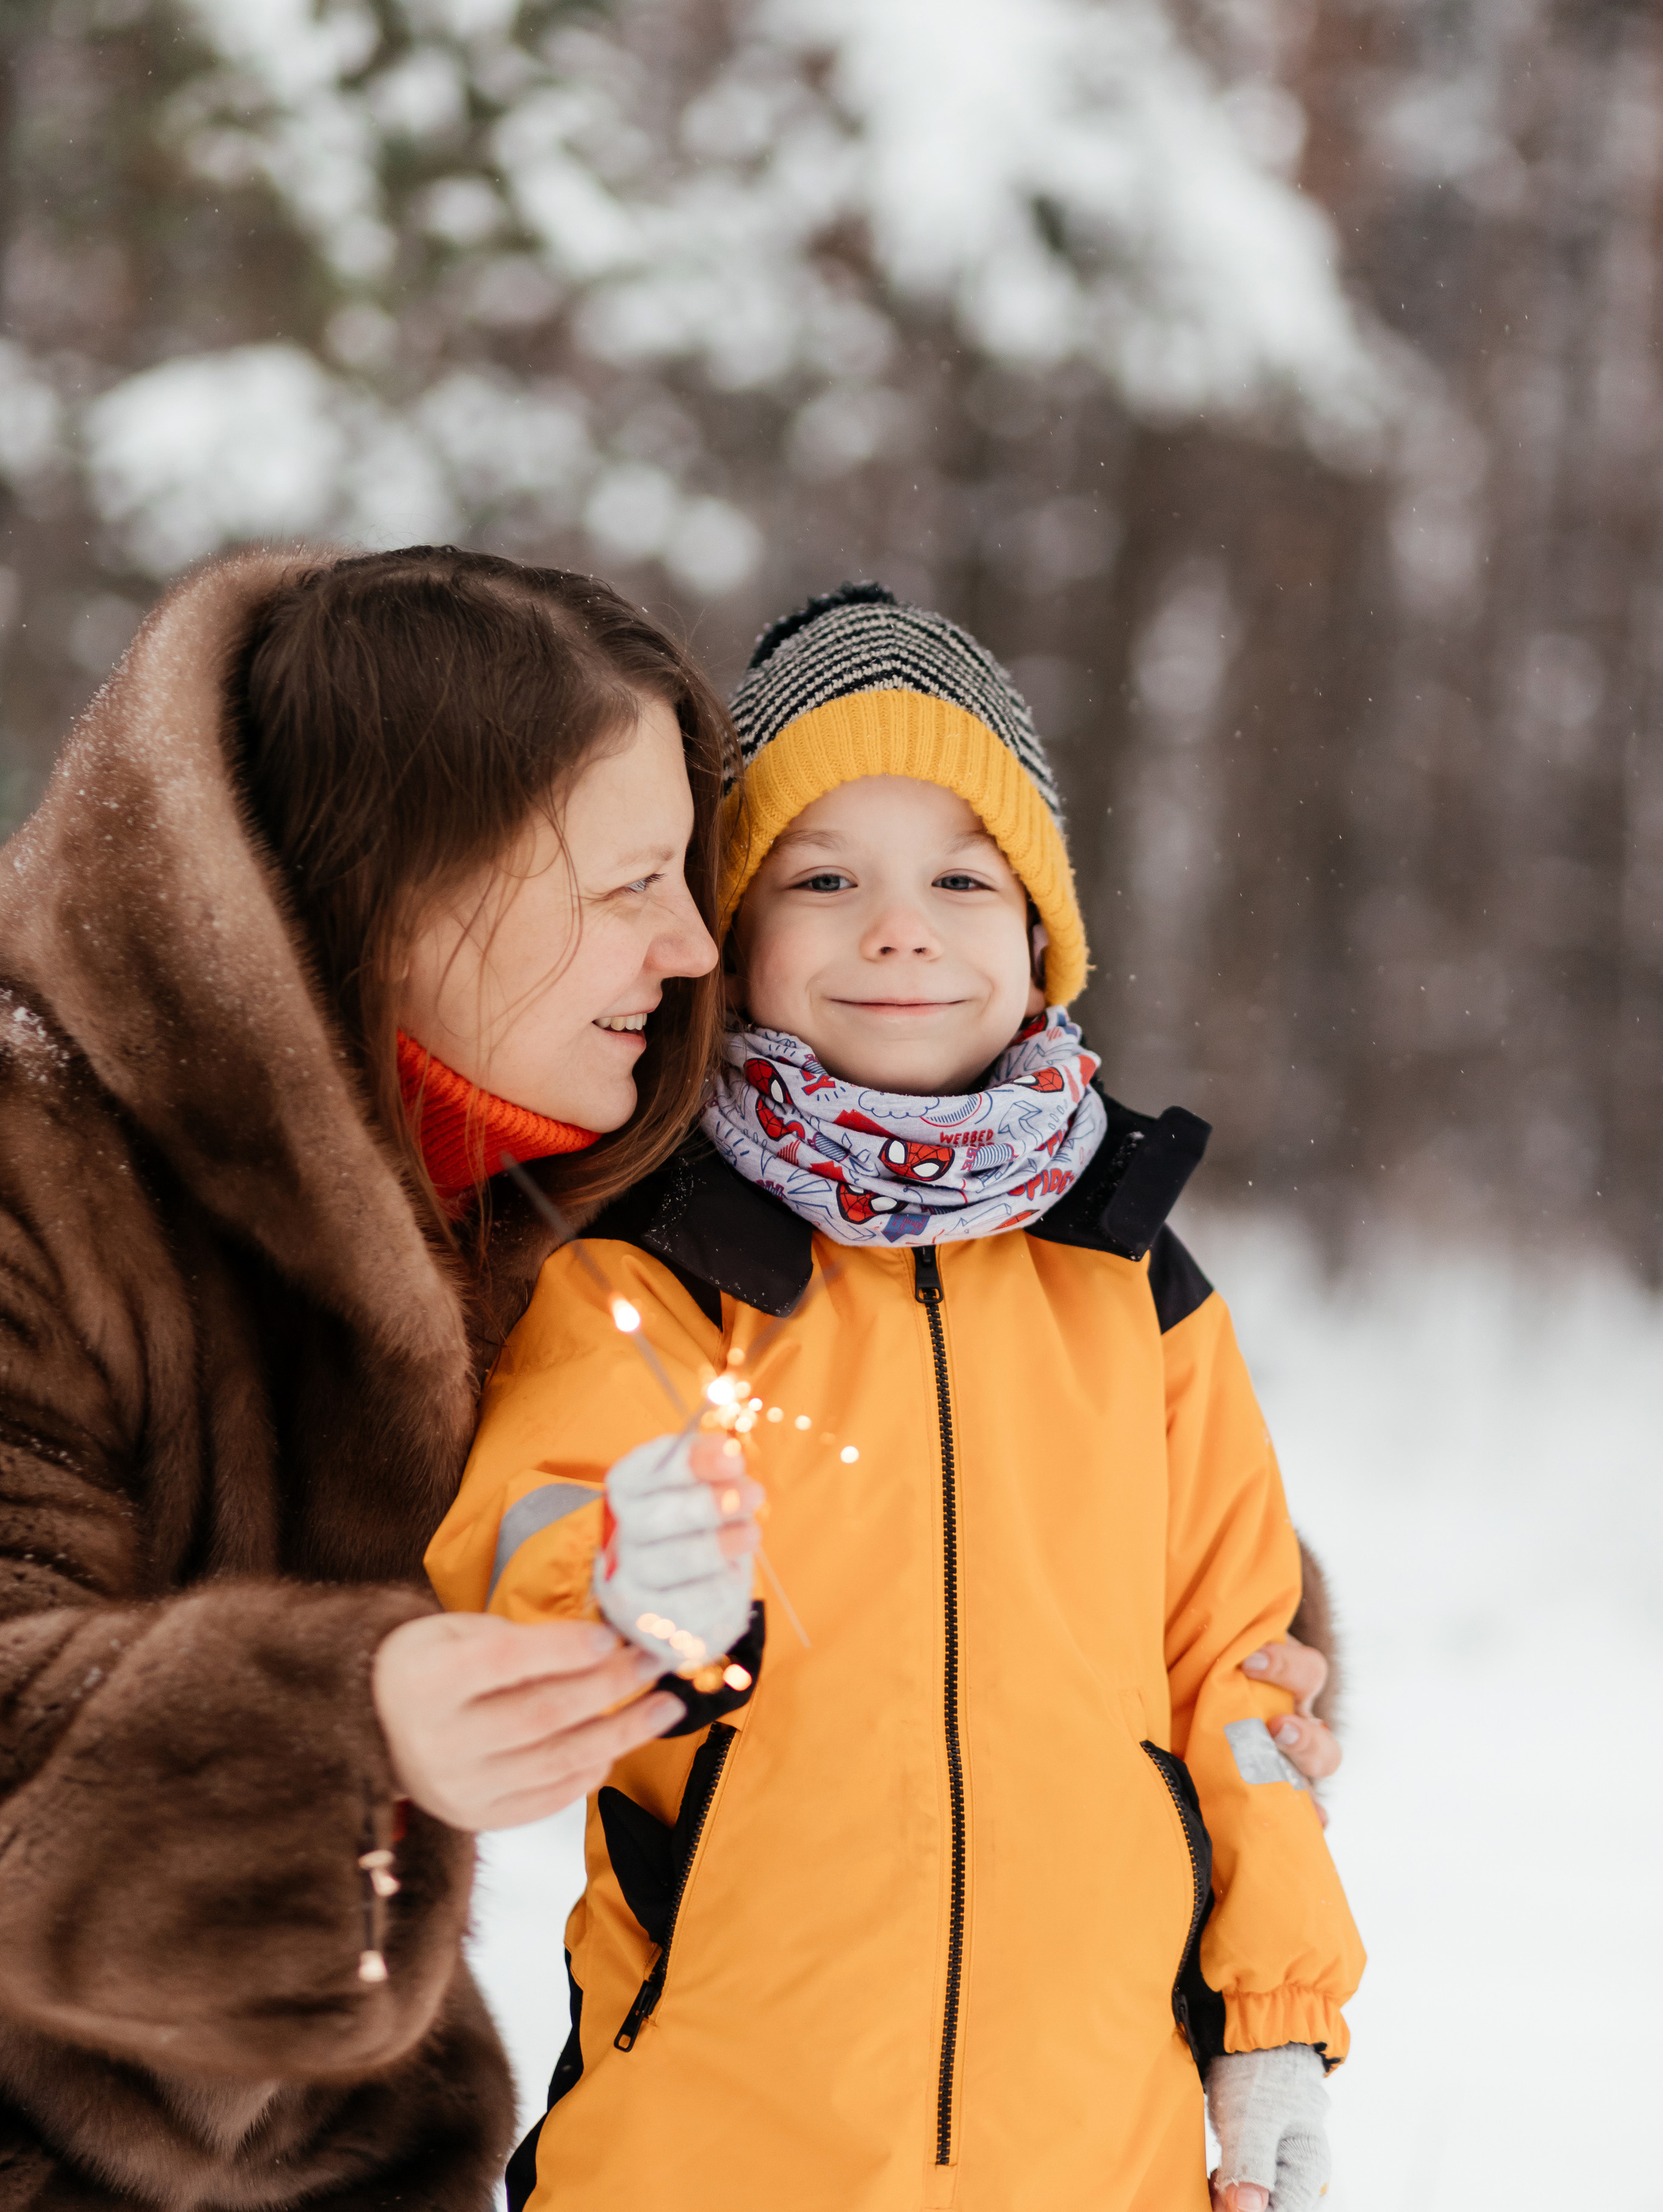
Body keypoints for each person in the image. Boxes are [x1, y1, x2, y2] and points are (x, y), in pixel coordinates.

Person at [427, 584, 1367, 2212]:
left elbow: (1236, 1668)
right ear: (730, 929)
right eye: (822, 878)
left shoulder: (1130, 1282)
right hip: (708, 2140)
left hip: (1089, 2150)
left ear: (1038, 936)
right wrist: (616, 1576)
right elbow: (522, 1521)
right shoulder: (657, 1266)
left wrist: (1272, 2017)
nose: (898, 927)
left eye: (957, 877)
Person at [0, 545, 737, 2206]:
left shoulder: (533, 1200)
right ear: (415, 882)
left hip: (337, 2152)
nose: (694, 948)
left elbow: (904, 1438)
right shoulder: (24, 1159)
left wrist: (1203, 1630)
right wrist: (344, 1731)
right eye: (631, 884)